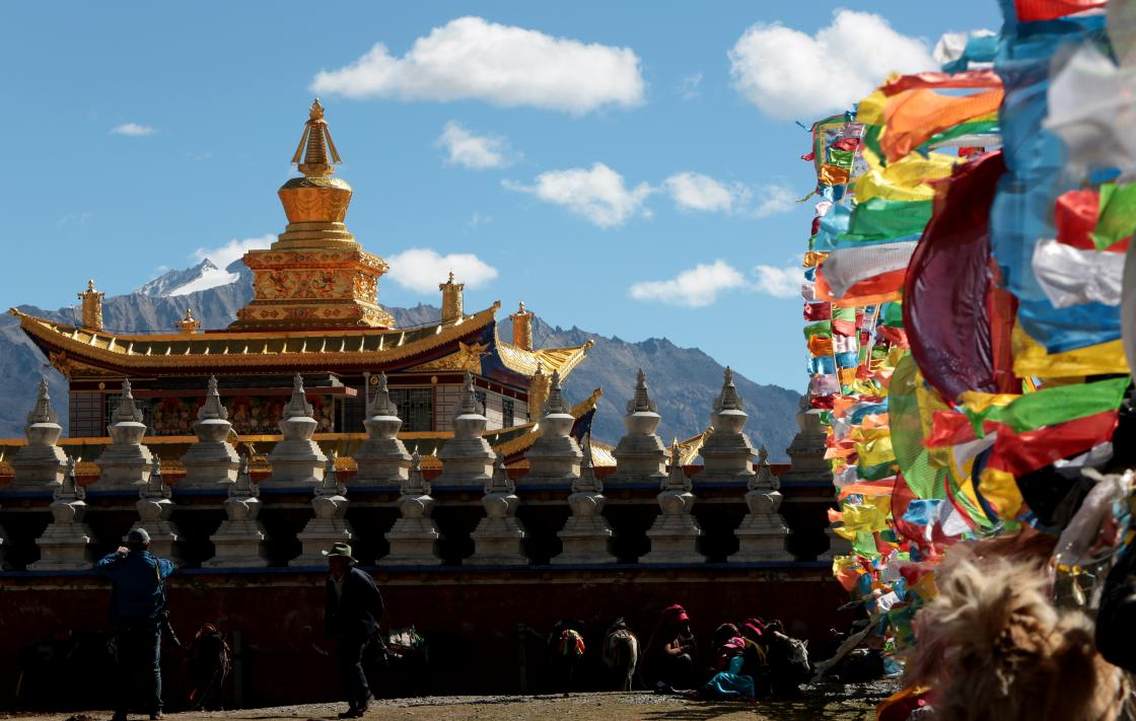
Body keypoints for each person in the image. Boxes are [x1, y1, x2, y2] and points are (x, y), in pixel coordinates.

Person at [96, 528, 176, 721]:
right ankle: (155, 711)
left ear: (129, 546)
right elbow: (172, 565)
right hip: (151, 625)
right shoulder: (157, 565)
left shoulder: (120, 566)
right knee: (153, 667)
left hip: (125, 625)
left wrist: (117, 553)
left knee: (125, 669)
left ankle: (122, 712)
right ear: (148, 544)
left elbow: (100, 565)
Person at [323, 542, 384, 719]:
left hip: (360, 628)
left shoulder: (359, 578)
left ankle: (363, 696)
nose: (331, 563)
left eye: (334, 560)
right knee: (345, 665)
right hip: (343, 628)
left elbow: (376, 601)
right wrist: (329, 630)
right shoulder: (331, 579)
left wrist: (374, 624)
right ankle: (355, 704)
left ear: (344, 561)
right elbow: (330, 607)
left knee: (351, 661)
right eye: (330, 560)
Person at [647, 604, 698, 691]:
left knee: (686, 658)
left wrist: (689, 635)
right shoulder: (663, 634)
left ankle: (676, 685)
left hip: (661, 675)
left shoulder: (676, 634)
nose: (682, 624)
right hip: (652, 679)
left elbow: (694, 649)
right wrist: (682, 649)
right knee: (685, 658)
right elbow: (667, 652)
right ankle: (664, 685)